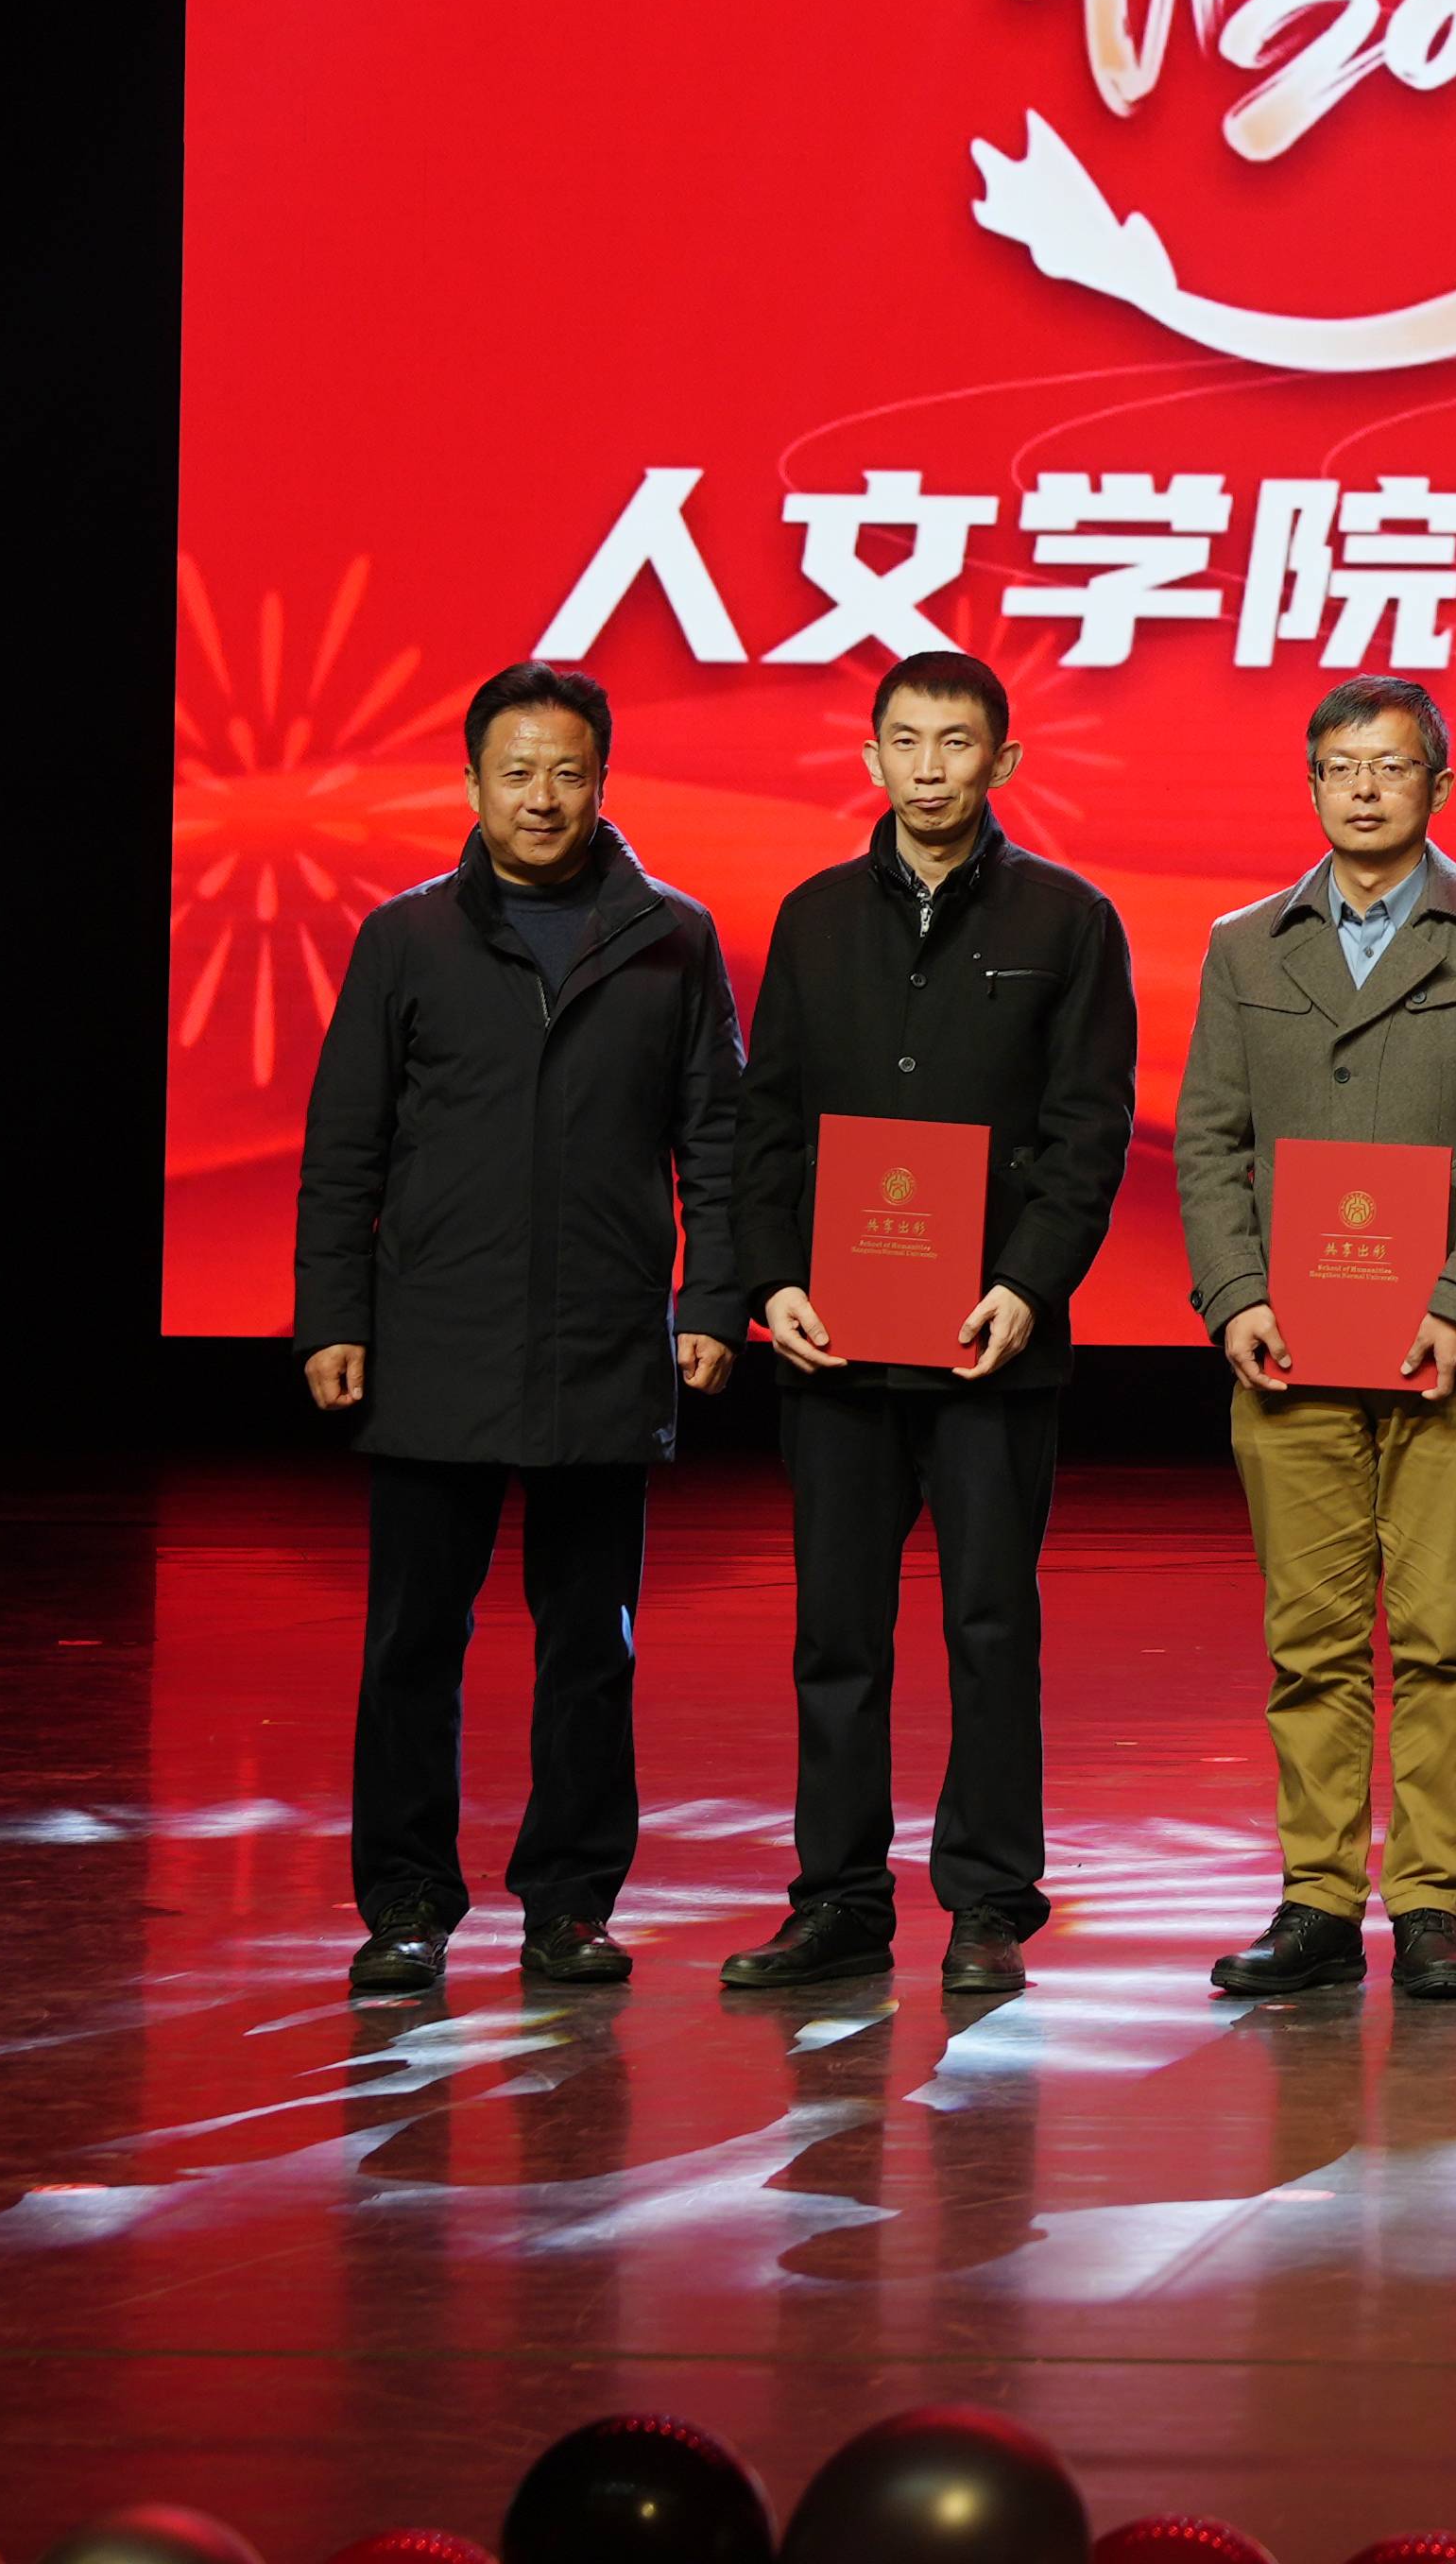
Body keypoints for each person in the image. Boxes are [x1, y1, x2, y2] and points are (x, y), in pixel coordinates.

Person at [291, 661, 744, 1997]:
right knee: (411, 1644)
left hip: (603, 1337)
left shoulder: (673, 935)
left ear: (603, 781)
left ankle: (570, 1904)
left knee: (590, 1645)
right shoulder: (407, 937)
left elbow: (718, 1142)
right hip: (436, 1334)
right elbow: (345, 1147)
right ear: (474, 783)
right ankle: (406, 1904)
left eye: (567, 773)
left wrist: (713, 1299)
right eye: (516, 772)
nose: (542, 798)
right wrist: (333, 1315)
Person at [717, 649, 1140, 1998]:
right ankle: (839, 1899)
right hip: (834, 1341)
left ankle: (989, 1903)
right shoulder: (813, 916)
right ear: (872, 758)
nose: (930, 767)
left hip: (988, 1344)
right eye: (905, 741)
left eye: (957, 743)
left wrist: (1028, 1283)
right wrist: (769, 1280)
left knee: (989, 1627)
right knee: (835, 1635)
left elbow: (1087, 1131)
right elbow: (765, 1121)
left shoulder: (1069, 920)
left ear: (1002, 761)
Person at [1173, 672, 1456, 2005]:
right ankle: (1318, 1902)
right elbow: (1208, 1141)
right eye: (1339, 767)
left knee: (1445, 1636)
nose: (1362, 789)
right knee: (1313, 1642)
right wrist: (1235, 1295)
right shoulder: (1245, 945)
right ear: (1311, 785)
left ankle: (1433, 1904)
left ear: (1437, 788)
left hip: (1451, 1353)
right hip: (1289, 1348)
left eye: (1390, 767)